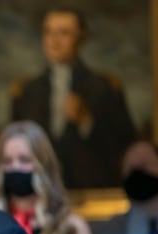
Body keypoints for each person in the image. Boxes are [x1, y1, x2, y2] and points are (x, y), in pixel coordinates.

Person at [10, 5, 136, 189]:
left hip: (93, 193)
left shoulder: (105, 87)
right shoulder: (26, 91)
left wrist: (87, 121)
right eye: (49, 32)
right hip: (39, 193)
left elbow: (124, 144)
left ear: (80, 38)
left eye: (64, 33)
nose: (55, 40)